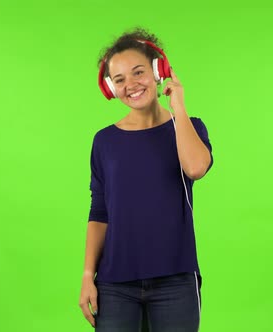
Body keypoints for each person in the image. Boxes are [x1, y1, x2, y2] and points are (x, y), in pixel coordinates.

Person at [79, 27, 214, 332]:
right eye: (120, 79)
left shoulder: (188, 128)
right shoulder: (104, 142)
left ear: (158, 70)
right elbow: (99, 213)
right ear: (110, 88)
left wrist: (177, 105)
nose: (131, 85)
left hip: (176, 281)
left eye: (139, 72)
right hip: (114, 286)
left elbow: (195, 168)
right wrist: (88, 275)